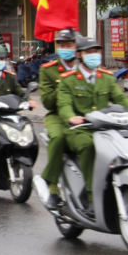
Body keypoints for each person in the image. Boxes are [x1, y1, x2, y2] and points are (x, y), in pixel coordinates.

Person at [57, 37, 128, 217]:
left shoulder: (106, 77)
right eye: (89, 52)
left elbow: (120, 99)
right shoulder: (68, 79)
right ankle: (90, 197)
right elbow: (64, 104)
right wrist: (71, 117)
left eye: (96, 51)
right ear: (79, 55)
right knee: (88, 146)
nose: (94, 55)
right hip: (81, 129)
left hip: (106, 127)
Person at [38, 29, 80, 209]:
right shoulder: (49, 69)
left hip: (83, 115)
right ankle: (52, 187)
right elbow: (47, 102)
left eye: (68, 45)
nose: (64, 48)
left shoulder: (85, 67)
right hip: (56, 116)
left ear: (77, 48)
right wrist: (65, 83)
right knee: (58, 138)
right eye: (61, 45)